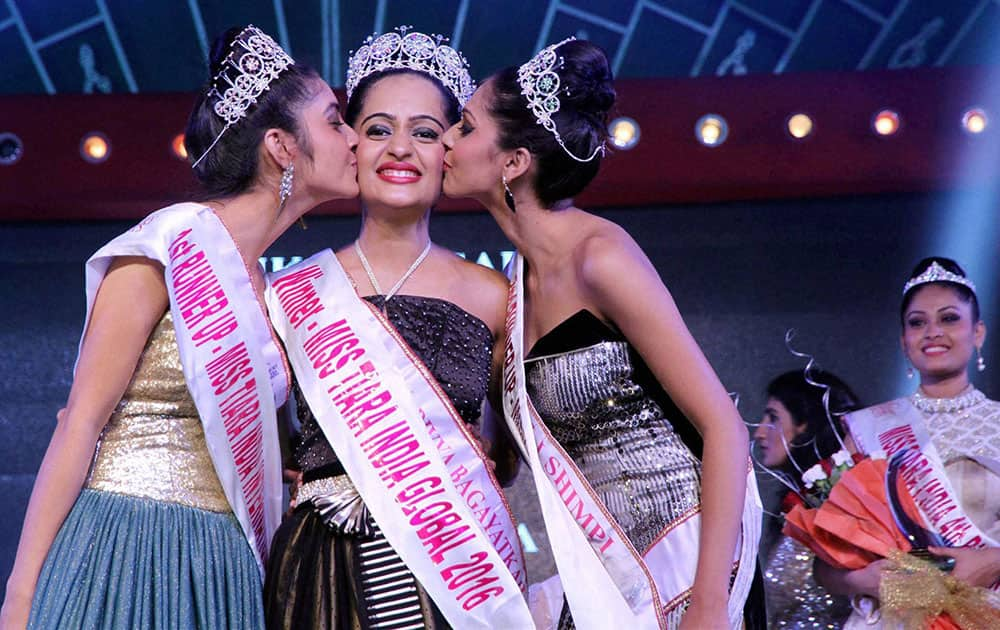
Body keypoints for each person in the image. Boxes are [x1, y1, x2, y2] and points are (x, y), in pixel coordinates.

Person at [0, 25, 359, 629]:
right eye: (334, 121)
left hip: (223, 566)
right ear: (281, 146)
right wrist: (21, 596)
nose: (353, 140)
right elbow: (80, 422)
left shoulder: (266, 290)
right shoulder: (169, 244)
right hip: (124, 546)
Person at [440, 37, 763, 629]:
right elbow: (506, 461)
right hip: (602, 582)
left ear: (513, 162)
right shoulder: (515, 288)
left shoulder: (600, 257)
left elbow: (723, 427)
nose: (445, 141)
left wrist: (711, 601)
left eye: (462, 126)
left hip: (684, 573)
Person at [263, 28, 532, 629]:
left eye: (426, 132)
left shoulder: (493, 296)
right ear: (350, 145)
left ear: (450, 153)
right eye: (379, 129)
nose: (401, 149)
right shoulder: (286, 294)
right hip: (321, 566)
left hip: (454, 570)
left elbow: (508, 453)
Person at [817, 257, 1000, 627]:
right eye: (918, 323)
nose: (933, 331)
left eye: (949, 318)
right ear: (904, 341)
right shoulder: (869, 428)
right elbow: (827, 563)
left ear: (978, 332)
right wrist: (862, 579)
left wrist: (993, 562)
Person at [753, 369, 859, 628]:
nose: (759, 433)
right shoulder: (795, 506)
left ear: (806, 424)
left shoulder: (847, 506)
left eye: (773, 418)